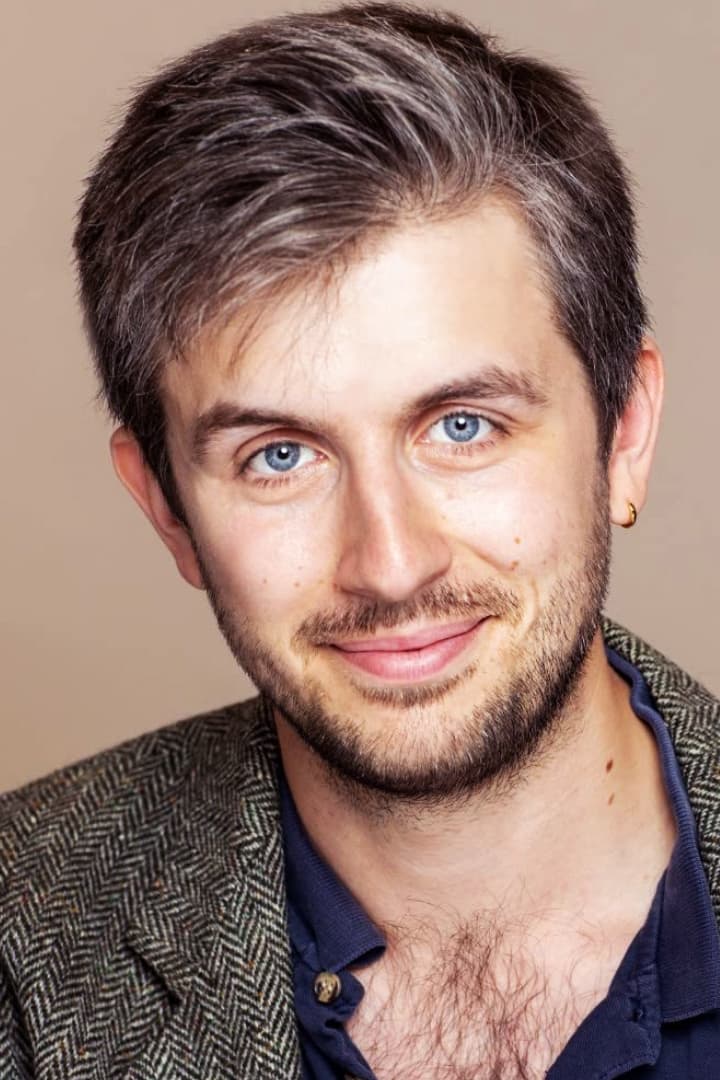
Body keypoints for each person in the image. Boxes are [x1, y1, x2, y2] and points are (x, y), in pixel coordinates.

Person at [1, 3, 718, 1077]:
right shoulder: (21, 931)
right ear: (167, 509)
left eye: (463, 427)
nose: (389, 564)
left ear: (624, 433)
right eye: (280, 455)